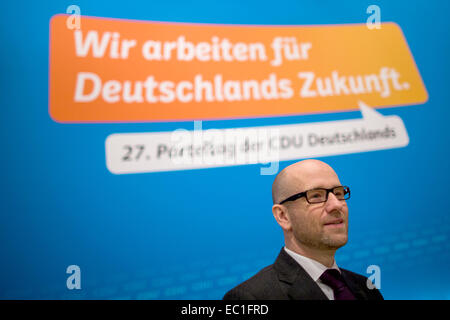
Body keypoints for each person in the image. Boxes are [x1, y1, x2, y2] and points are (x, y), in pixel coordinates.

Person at [223, 159, 383, 300]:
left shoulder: (366, 288)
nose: (336, 205)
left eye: (339, 193)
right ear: (283, 216)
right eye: (316, 196)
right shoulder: (250, 298)